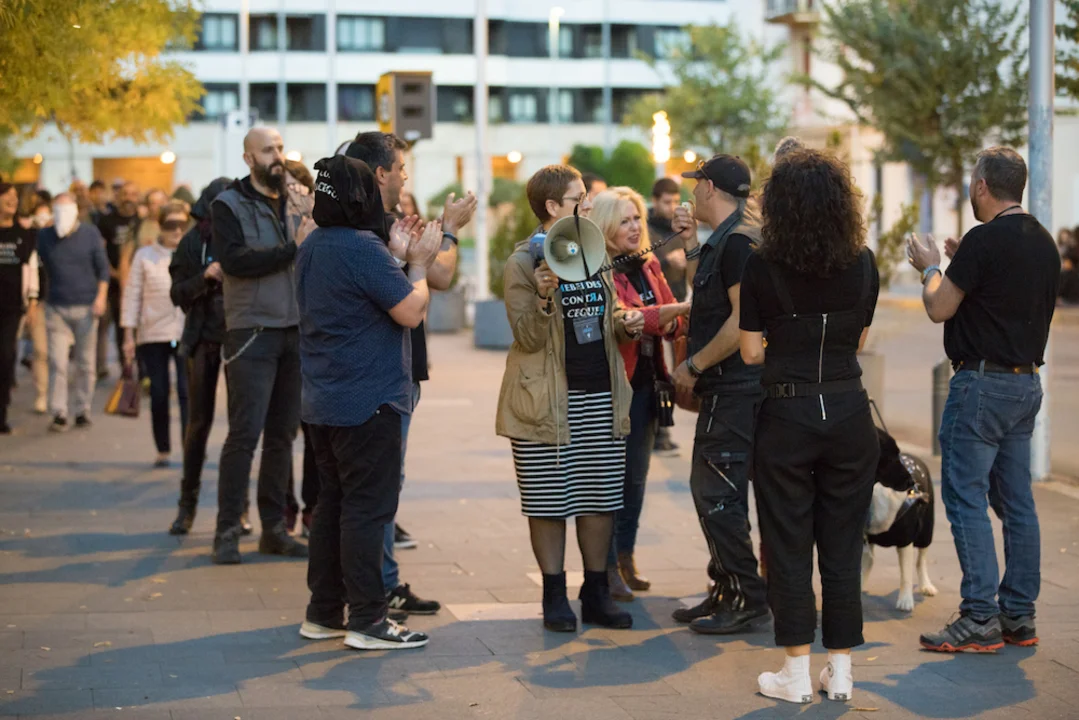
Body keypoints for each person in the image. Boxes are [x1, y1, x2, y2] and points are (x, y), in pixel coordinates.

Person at [739, 148, 880, 704]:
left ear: (780, 206)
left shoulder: (761, 265)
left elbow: (751, 352)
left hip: (787, 414)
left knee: (788, 543)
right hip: (848, 412)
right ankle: (840, 671)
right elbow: (858, 341)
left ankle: (795, 673)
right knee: (843, 545)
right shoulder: (863, 262)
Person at [908, 147, 1060, 653]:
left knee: (965, 495)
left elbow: (938, 307)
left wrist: (931, 267)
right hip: (1025, 384)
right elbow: (1001, 295)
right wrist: (961, 263)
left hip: (981, 385)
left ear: (981, 186)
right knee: (1017, 502)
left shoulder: (982, 240)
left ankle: (978, 616)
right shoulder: (1043, 242)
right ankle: (1018, 614)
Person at [297, 154, 442, 650]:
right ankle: (368, 619)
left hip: (324, 398)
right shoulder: (361, 246)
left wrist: (395, 258)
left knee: (333, 505)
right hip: (368, 400)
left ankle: (323, 613)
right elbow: (410, 310)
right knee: (366, 511)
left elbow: (361, 297)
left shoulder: (313, 243)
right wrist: (417, 265)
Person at [496, 164, 642, 633]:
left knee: (600, 498)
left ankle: (596, 593)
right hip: (545, 401)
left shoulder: (591, 249)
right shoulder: (524, 263)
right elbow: (527, 337)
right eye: (579, 198)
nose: (588, 203)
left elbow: (603, 315)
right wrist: (542, 298)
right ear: (552, 206)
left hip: (600, 393)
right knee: (548, 502)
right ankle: (553, 595)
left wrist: (624, 322)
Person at [345, 131, 477, 618]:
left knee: (376, 486)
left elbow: (433, 275)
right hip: (380, 375)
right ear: (380, 173)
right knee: (377, 489)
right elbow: (436, 278)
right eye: (400, 168)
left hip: (384, 371)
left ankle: (371, 587)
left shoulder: (362, 227)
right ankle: (374, 593)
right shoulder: (373, 230)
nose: (405, 176)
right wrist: (449, 230)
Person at [668, 154, 769, 635]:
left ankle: (746, 595)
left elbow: (742, 320)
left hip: (735, 390)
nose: (691, 192)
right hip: (731, 389)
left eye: (696, 184)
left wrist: (694, 365)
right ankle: (728, 587)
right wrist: (691, 245)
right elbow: (705, 292)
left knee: (717, 494)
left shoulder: (739, 242)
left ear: (710, 187)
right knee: (714, 491)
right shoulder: (728, 239)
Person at [210, 126, 309, 564]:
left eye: (281, 148)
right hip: (251, 331)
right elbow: (235, 262)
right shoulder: (228, 204)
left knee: (282, 437)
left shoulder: (298, 200)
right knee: (244, 435)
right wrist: (292, 249)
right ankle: (227, 530)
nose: (278, 156)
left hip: (295, 330)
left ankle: (274, 529)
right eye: (268, 150)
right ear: (249, 159)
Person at [593, 187, 689, 601]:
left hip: (650, 383)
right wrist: (666, 315)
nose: (634, 227)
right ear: (605, 226)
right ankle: (606, 566)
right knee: (611, 481)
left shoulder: (648, 264)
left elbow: (669, 318)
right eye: (624, 221)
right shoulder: (598, 270)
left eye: (637, 219)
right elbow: (626, 320)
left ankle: (626, 557)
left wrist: (668, 319)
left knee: (636, 478)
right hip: (617, 386)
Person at [167, 178, 232, 535]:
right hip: (203, 339)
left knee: (242, 428)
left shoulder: (243, 235)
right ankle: (187, 504)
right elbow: (177, 293)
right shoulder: (193, 242)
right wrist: (205, 277)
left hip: (240, 339)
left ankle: (238, 507)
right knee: (198, 424)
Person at [122, 201, 189, 467]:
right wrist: (128, 335)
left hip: (185, 332)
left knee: (187, 392)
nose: (177, 231)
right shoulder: (144, 255)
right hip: (153, 333)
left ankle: (190, 447)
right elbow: (132, 295)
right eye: (171, 225)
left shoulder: (191, 253)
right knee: (159, 393)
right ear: (160, 226)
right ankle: (163, 449)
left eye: (182, 224)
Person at [36, 193, 109, 431]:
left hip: (87, 307)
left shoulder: (90, 234)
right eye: (57, 210)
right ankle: (59, 412)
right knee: (57, 362)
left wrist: (101, 298)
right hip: (56, 307)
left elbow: (103, 270)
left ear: (76, 211)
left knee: (85, 363)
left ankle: (82, 409)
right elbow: (34, 265)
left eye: (66, 210)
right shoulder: (45, 236)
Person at [645, 178, 686, 458]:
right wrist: (668, 259)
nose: (672, 207)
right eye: (667, 201)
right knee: (658, 372)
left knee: (675, 371)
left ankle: (664, 429)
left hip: (678, 305)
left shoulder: (679, 227)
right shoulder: (644, 227)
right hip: (653, 309)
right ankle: (660, 432)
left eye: (675, 201)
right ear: (655, 200)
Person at [0, 182, 39, 433]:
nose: (13, 199)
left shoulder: (24, 234)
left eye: (15, 196)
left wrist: (32, 301)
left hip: (12, 307)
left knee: (5, 357)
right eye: (7, 195)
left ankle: (1, 413)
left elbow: (32, 268)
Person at [97, 182, 142, 377]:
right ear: (118, 197)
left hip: (140, 284)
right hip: (114, 284)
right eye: (125, 194)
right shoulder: (106, 221)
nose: (128, 198)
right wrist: (113, 272)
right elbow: (99, 251)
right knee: (121, 327)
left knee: (140, 329)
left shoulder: (142, 222)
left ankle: (143, 371)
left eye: (133, 194)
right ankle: (126, 370)